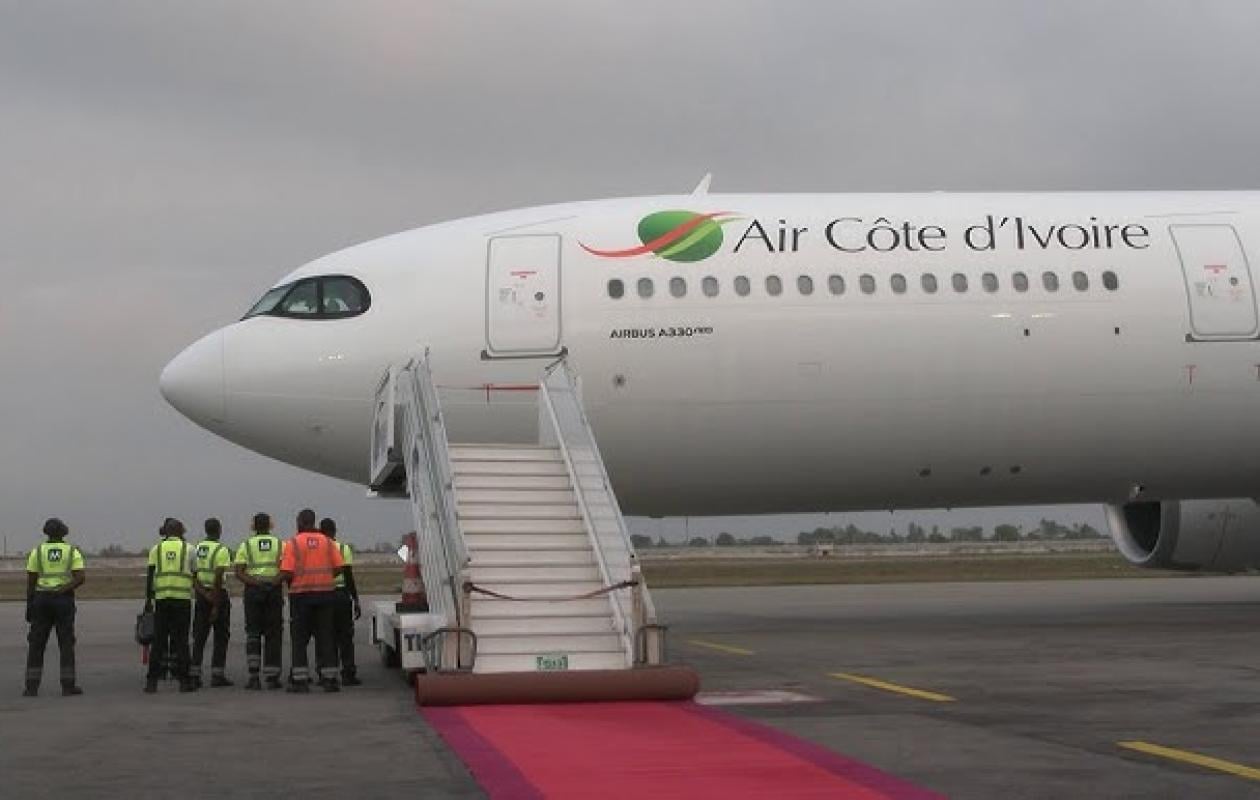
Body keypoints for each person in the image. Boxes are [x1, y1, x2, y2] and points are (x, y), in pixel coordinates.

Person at [280, 509, 344, 693]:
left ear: (300, 521)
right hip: (325, 594)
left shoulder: (293, 543)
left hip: (301, 595)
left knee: (299, 639)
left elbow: (287, 571)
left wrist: (273, 583)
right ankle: (329, 679)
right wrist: (324, 578)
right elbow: (338, 568)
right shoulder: (327, 541)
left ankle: (300, 681)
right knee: (326, 637)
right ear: (313, 521)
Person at [23, 518, 85, 697]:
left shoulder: (37, 551)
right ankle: (68, 686)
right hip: (63, 600)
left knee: (36, 644)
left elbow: (31, 581)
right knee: (66, 643)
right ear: (64, 532)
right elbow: (80, 578)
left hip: (41, 600)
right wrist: (62, 589)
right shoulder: (72, 551)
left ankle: (31, 687)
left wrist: (29, 605)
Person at [145, 518, 197, 693]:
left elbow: (150, 576)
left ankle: (151, 682)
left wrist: (148, 600)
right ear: (181, 531)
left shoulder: (156, 549)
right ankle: (184, 681)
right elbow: (195, 573)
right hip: (182, 599)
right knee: (181, 641)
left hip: (161, 599)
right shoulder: (189, 549)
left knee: (158, 641)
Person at [234, 512, 284, 690]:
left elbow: (239, 572)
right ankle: (272, 677)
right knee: (273, 634)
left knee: (253, 634)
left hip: (253, 592)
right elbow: (286, 568)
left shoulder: (245, 545)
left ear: (253, 526)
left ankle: (254, 676)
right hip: (274, 591)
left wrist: (257, 583)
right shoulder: (280, 544)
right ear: (271, 526)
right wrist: (272, 583)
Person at [190, 518, 233, 688]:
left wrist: (203, 594)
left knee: (199, 636)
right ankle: (217, 675)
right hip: (218, 595)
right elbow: (218, 576)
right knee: (221, 636)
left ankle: (194, 674)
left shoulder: (196, 549)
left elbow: (193, 576)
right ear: (219, 530)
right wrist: (215, 603)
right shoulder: (222, 550)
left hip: (202, 595)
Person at [321, 518, 362, 686]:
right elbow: (348, 575)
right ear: (335, 531)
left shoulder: (318, 549)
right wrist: (356, 599)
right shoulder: (343, 548)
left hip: (323, 594)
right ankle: (348, 673)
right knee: (345, 636)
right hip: (341, 595)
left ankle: (326, 673)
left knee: (326, 635)